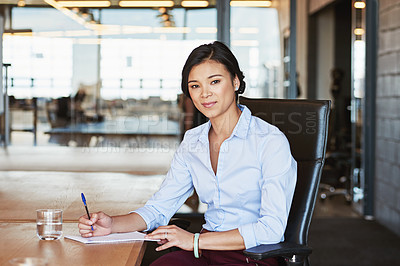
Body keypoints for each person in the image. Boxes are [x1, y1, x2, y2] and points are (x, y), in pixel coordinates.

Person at [78, 41, 297, 266]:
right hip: (204, 248)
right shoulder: (193, 141)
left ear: (235, 82)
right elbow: (159, 208)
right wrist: (112, 224)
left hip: (253, 255)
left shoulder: (269, 141)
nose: (205, 94)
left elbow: (271, 230)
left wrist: (194, 241)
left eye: (215, 81)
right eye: (195, 86)